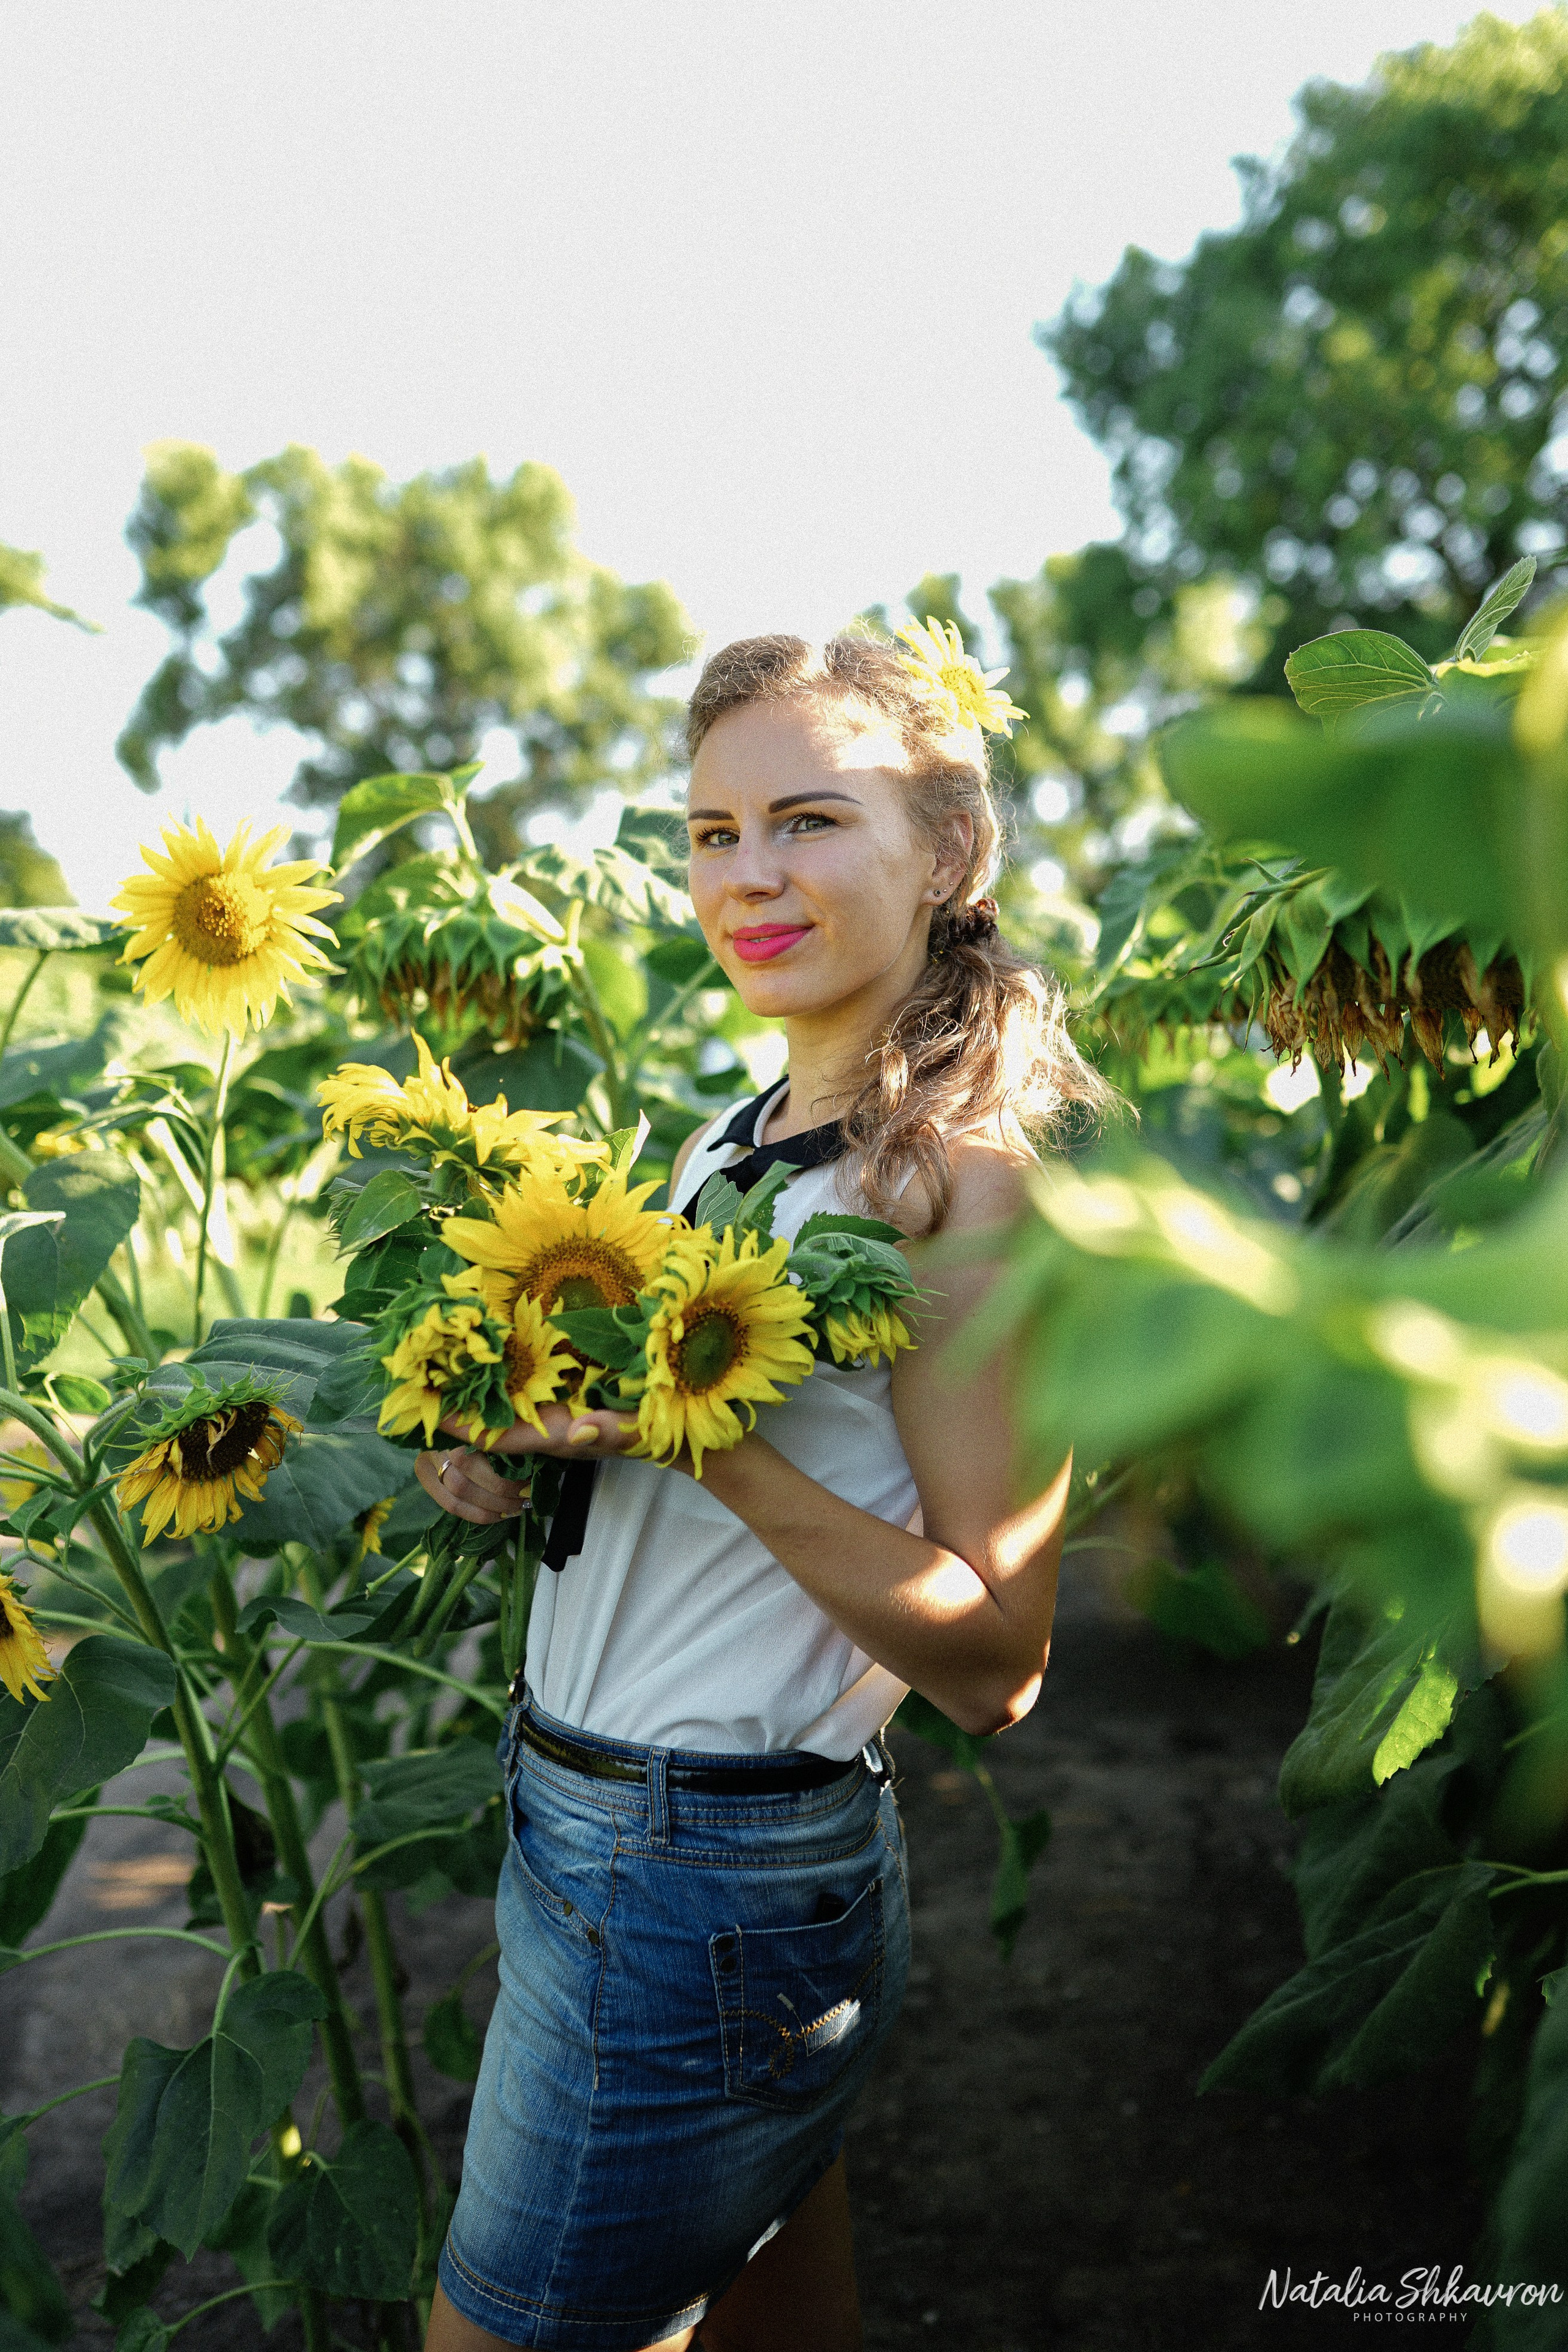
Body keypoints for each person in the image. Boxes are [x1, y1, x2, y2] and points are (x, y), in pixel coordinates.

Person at [420, 630, 1112, 2352]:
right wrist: (508, 1457)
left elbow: (998, 1660)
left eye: (808, 820)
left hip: (699, 1870)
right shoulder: (725, 1142)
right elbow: (672, 1501)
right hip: (596, 1822)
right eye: (713, 832)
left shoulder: (958, 1190)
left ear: (944, 851)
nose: (749, 877)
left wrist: (703, 1448)